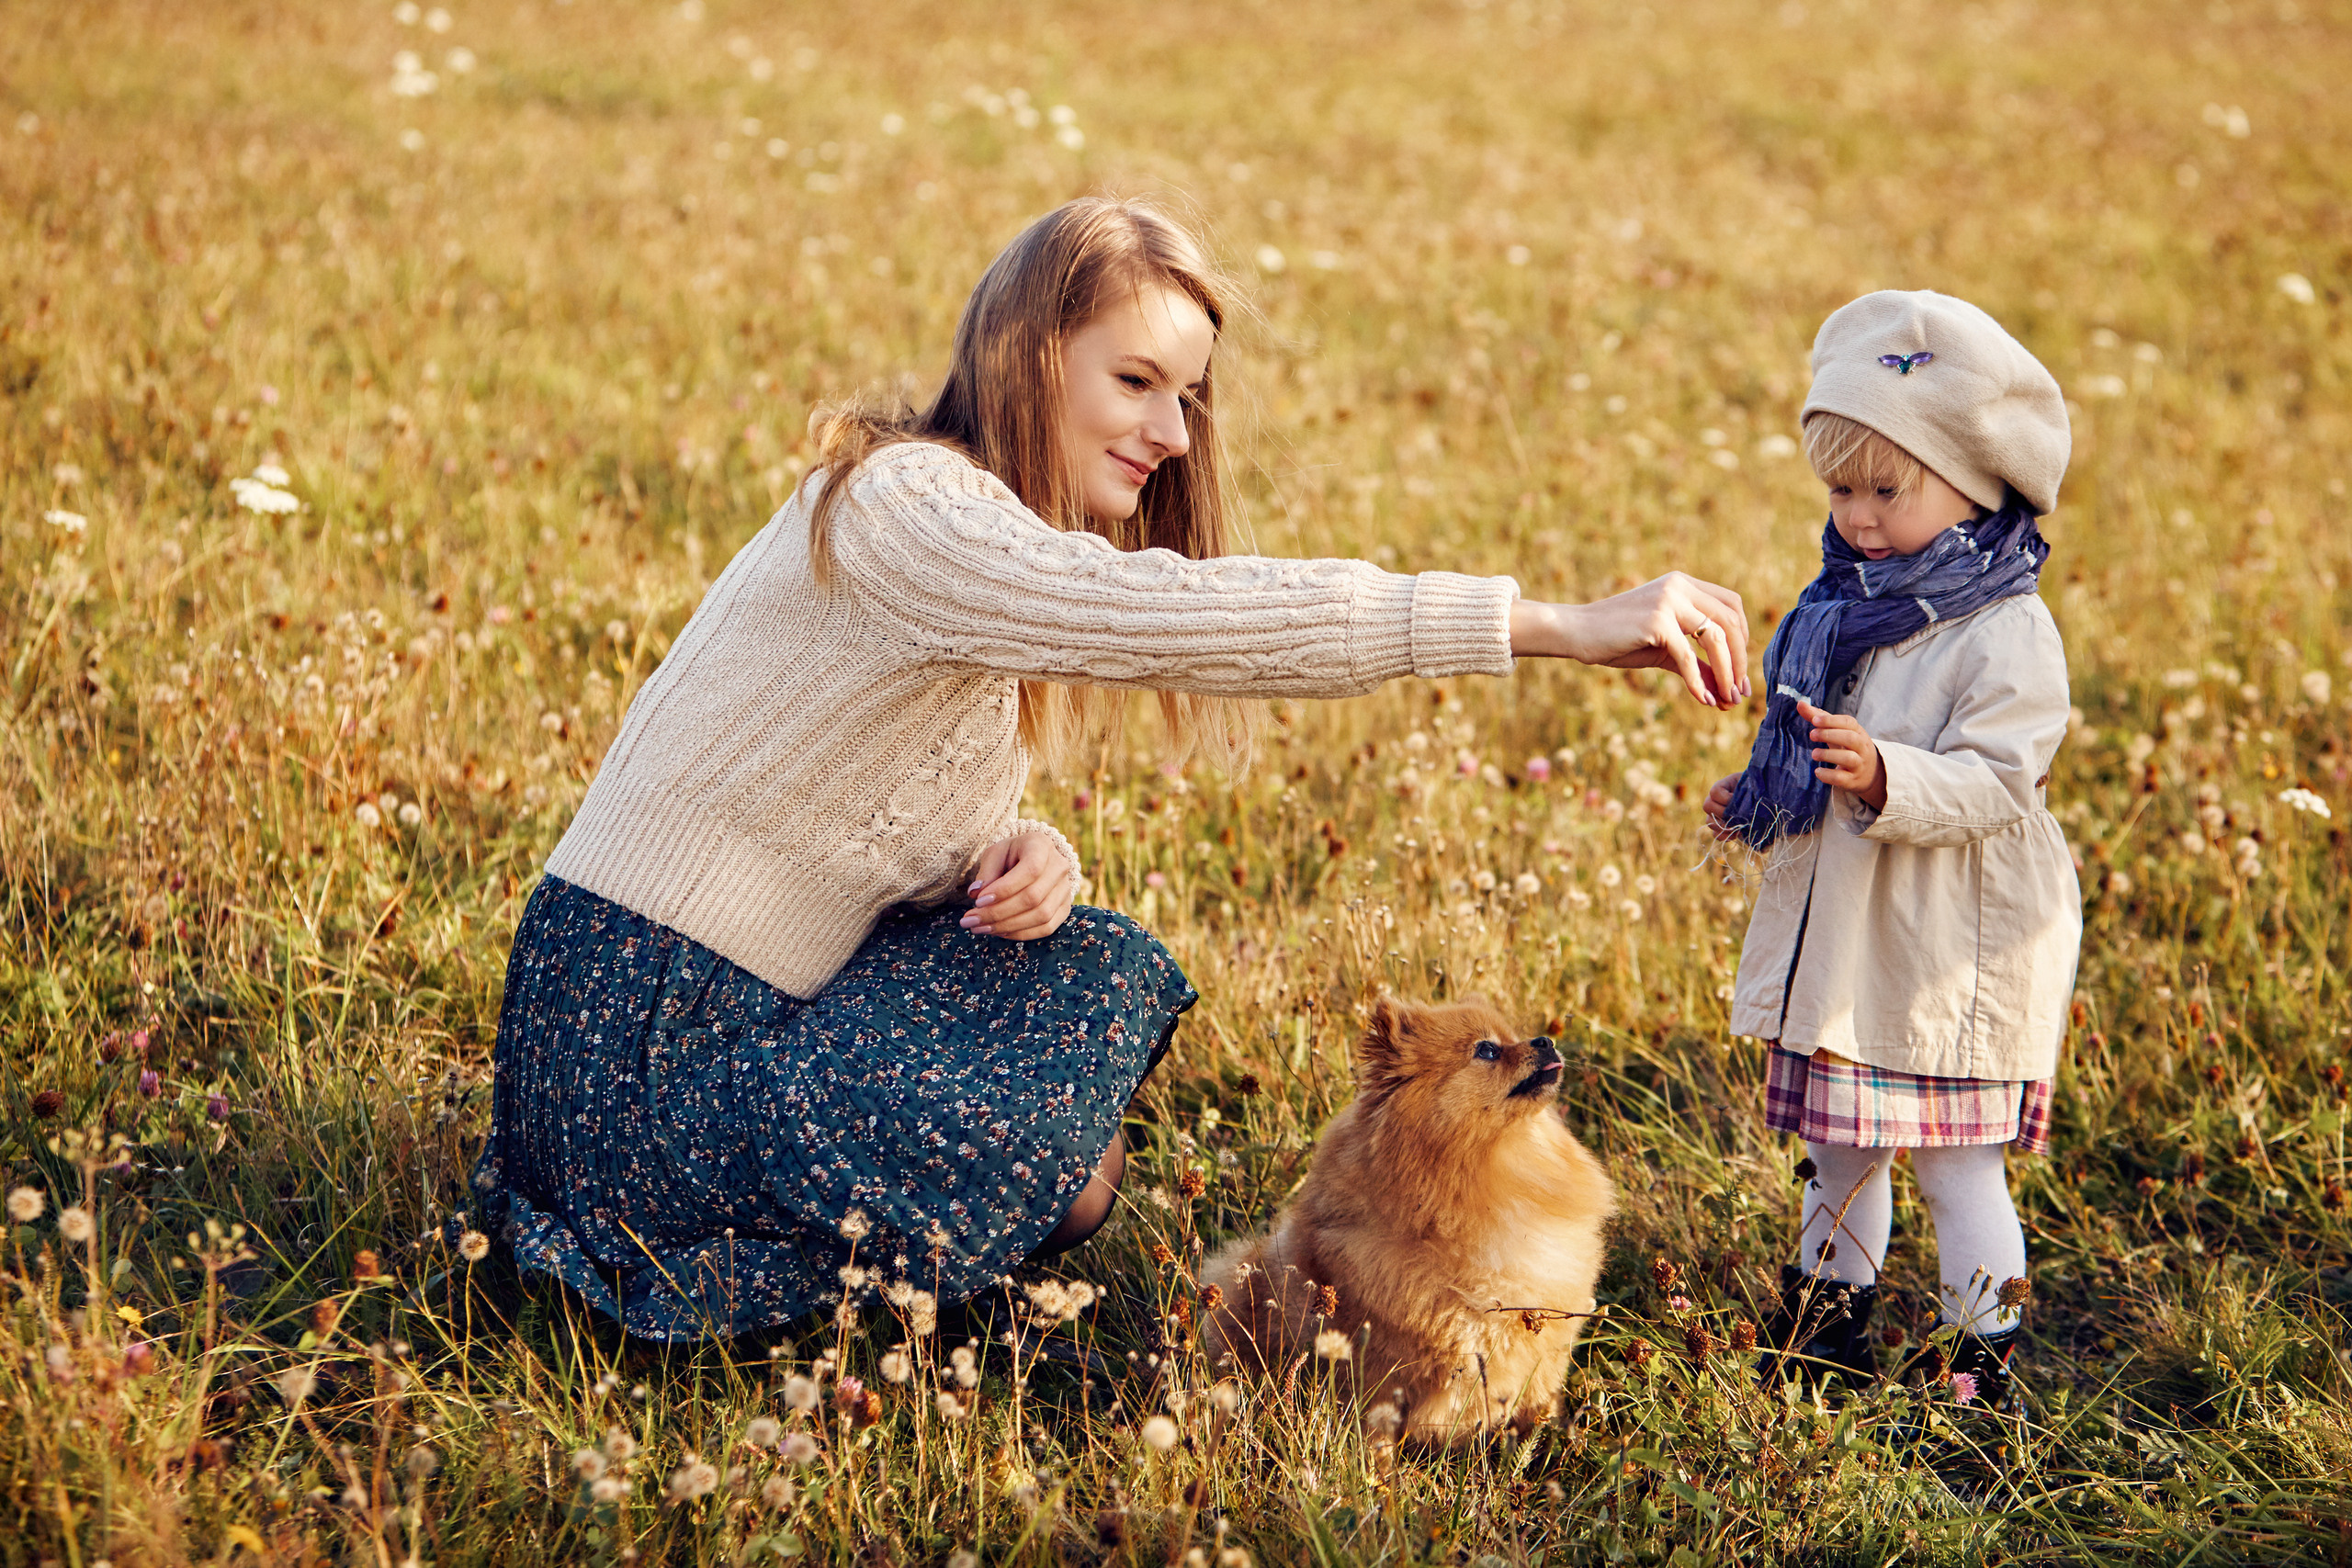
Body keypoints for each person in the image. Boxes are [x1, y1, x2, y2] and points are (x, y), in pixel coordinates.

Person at [469, 195, 1751, 1341]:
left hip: (737, 1001)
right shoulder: (913, 504)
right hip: (636, 1037)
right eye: (1137, 380)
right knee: (1063, 1112)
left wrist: (1027, 856)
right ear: (1028, 357)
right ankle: (692, 1273)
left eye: (1188, 394)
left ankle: (870, 1277)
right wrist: (1550, 623)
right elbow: (1168, 615)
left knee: (1075, 1013)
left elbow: (889, 821)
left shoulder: (985, 548)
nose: (1174, 432)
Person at [1703, 289, 2081, 1410]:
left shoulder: (2003, 623)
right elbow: (1811, 737)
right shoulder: (1846, 603)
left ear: (1975, 483)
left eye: (1886, 488)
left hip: (1947, 951)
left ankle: (1984, 1354)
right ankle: (1826, 1327)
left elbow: (2004, 781)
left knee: (1957, 1164)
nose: (1858, 516)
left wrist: (1885, 775)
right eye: (1839, 488)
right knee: (1840, 1154)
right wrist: (1768, 791)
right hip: (1851, 946)